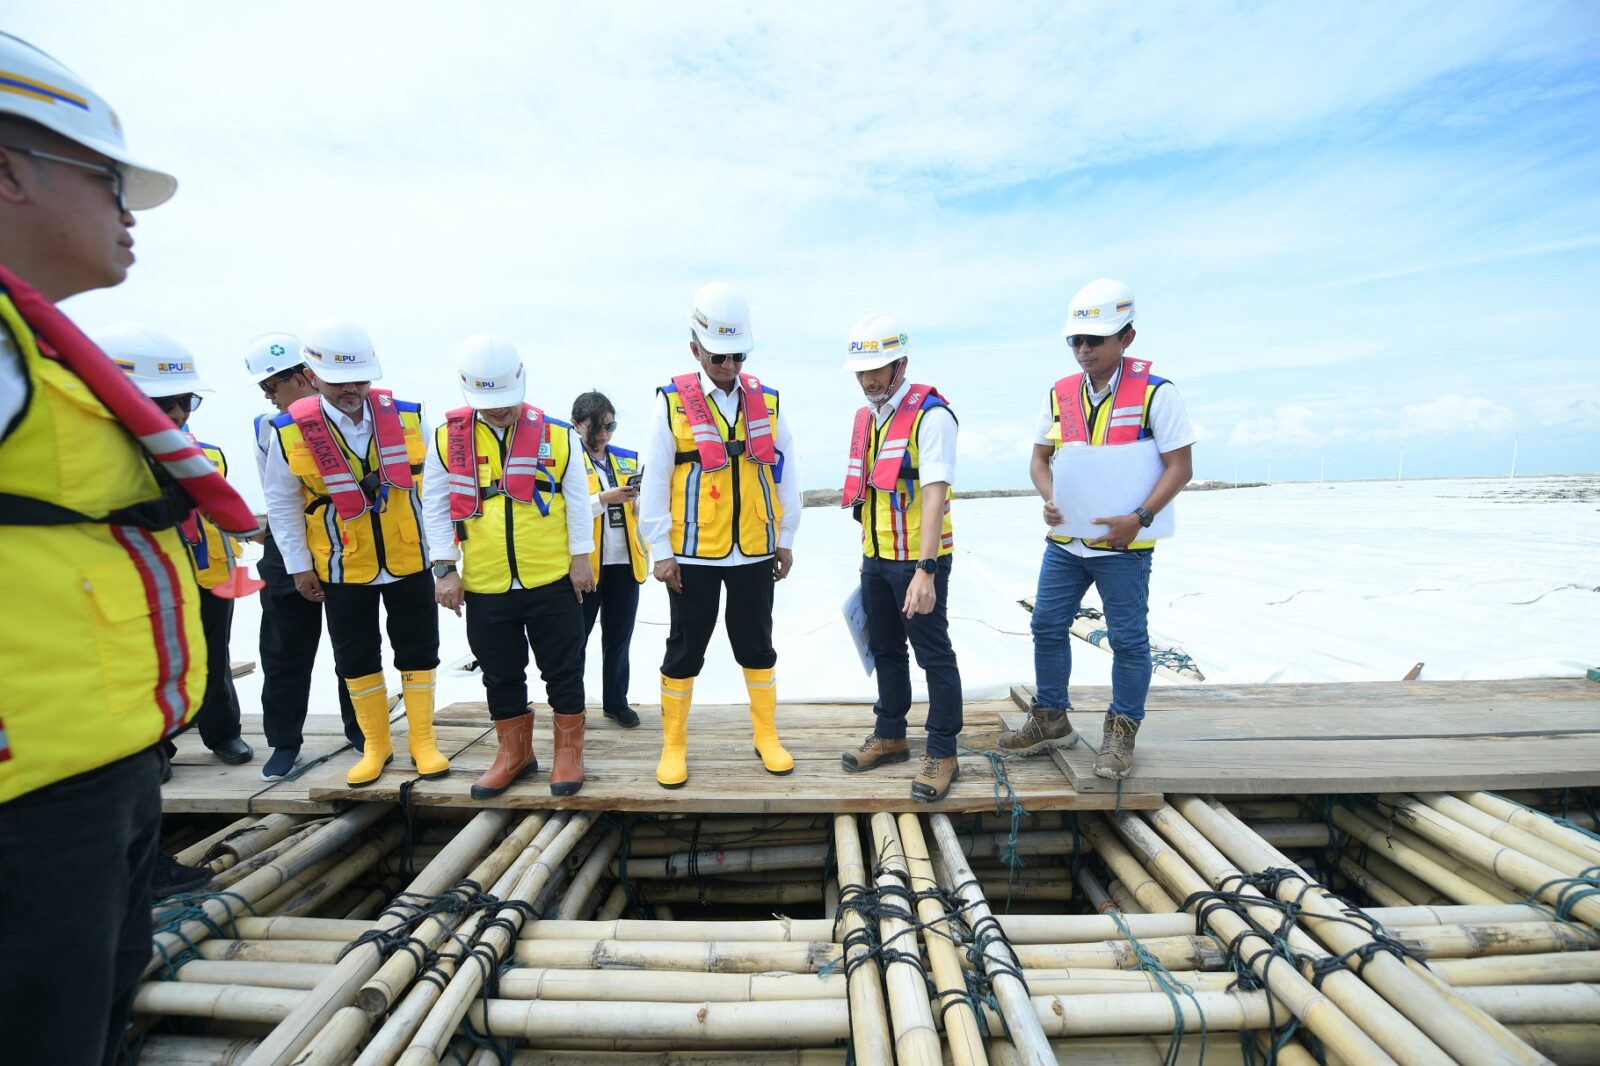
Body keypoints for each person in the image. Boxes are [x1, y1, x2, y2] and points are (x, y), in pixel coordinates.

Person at [0, 31, 258, 1065]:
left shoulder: (32, 343)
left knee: (96, 1019)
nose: (128, 213)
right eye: (109, 181)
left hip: (93, 768)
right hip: (30, 801)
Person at [999, 279, 1194, 778]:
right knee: (1046, 624)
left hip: (1125, 546)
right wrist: (1049, 497)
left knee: (1128, 641)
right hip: (1066, 543)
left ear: (1126, 338)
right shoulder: (1061, 394)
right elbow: (1040, 460)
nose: (1082, 351)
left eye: (1094, 341)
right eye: (1075, 342)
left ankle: (1122, 729)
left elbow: (1180, 467)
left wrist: (1140, 518)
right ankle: (1050, 717)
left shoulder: (1157, 393)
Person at [261, 316, 448, 787]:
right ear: (312, 376)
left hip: (409, 559)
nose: (352, 390)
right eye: (340, 382)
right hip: (342, 565)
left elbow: (437, 490)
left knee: (420, 650)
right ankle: (375, 746)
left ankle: (422, 742)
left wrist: (444, 557)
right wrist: (299, 566)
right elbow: (282, 505)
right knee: (356, 657)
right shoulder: (288, 432)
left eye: (361, 380)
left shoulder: (407, 416)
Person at [638, 282, 801, 788]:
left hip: (754, 548)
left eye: (739, 355)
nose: (731, 366)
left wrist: (786, 534)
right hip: (694, 554)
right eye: (720, 356)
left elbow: (786, 470)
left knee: (757, 645)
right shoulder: (671, 403)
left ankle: (766, 735)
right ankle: (674, 744)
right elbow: (656, 476)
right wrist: (660, 550)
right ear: (695, 349)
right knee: (686, 649)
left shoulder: (767, 402)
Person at [423, 334, 595, 797]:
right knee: (500, 673)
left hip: (551, 578)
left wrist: (582, 559)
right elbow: (435, 509)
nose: (499, 410)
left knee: (563, 669)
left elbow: (578, 501)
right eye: (488, 402)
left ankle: (567, 753)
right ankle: (513, 753)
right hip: (485, 582)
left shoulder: (558, 435)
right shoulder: (445, 439)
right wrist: (445, 570)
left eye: (505, 400)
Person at [98, 324, 253, 768]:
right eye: (169, 404)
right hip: (141, 582)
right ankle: (157, 748)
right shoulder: (104, 461)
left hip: (208, 576)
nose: (182, 413)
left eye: (188, 402)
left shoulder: (208, 455)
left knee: (212, 658)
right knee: (148, 665)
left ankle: (223, 735)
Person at [835, 315, 964, 801]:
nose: (868, 380)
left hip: (918, 560)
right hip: (876, 555)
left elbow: (933, 495)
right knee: (885, 649)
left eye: (878, 369)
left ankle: (942, 749)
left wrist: (926, 571)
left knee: (933, 655)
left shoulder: (931, 415)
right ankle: (891, 733)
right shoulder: (870, 417)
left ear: (901, 364)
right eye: (861, 371)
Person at [245, 332, 361, 780]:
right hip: (286, 546)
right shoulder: (267, 429)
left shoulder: (352, 421)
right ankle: (284, 741)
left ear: (301, 379)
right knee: (283, 650)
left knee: (352, 645)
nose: (269, 398)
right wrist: (296, 563)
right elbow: (280, 500)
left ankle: (361, 730)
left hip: (343, 543)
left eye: (271, 387)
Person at [573, 390, 647, 729]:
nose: (603, 435)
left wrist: (633, 499)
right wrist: (603, 497)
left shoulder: (624, 459)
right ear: (576, 426)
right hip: (585, 566)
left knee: (619, 637)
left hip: (625, 563)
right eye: (594, 429)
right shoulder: (568, 462)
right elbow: (564, 511)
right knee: (576, 639)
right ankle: (571, 707)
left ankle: (616, 702)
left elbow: (638, 514)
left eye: (609, 426)